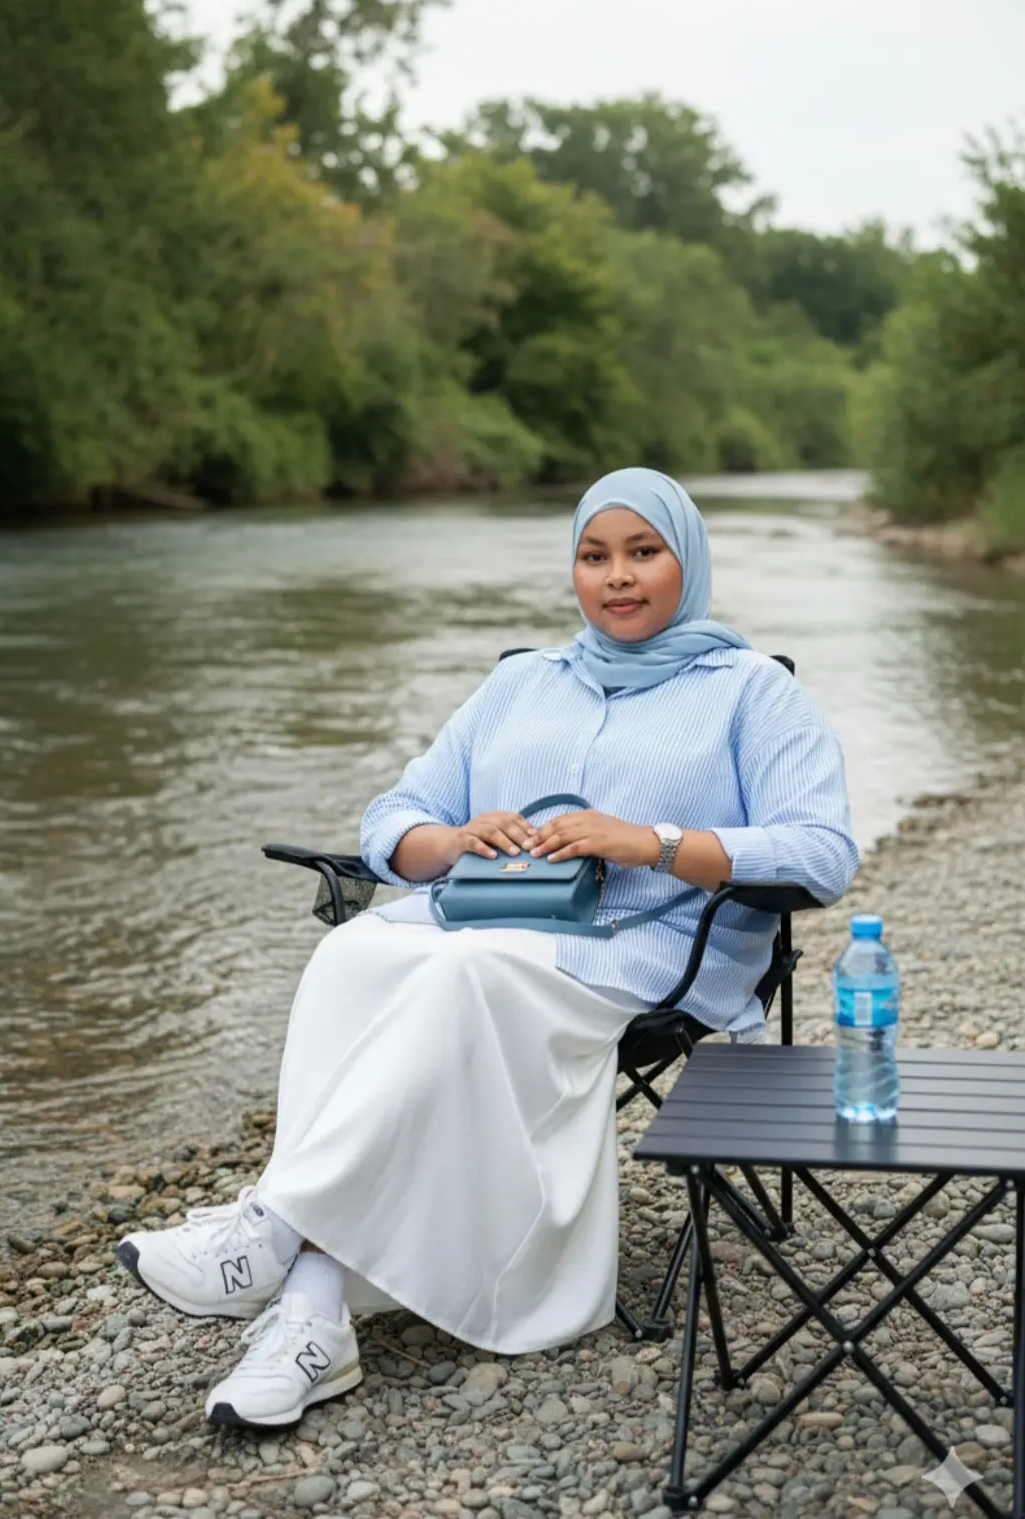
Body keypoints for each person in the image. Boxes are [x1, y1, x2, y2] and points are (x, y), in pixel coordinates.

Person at [117, 467, 858, 1429]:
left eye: (643, 552)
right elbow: (396, 816)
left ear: (691, 559)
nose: (617, 577)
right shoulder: (520, 683)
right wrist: (456, 841)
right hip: (487, 919)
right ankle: (310, 1307)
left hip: (648, 946)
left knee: (459, 977)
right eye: (595, 556)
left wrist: (650, 841)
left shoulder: (750, 692)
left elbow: (822, 851)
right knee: (351, 957)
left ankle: (279, 1231)